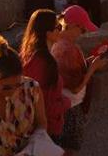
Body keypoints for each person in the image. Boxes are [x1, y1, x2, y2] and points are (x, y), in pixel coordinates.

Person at [52, 6, 108, 154]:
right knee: (69, 149)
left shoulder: (57, 42)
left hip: (62, 104)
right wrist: (93, 68)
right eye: (82, 30)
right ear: (72, 26)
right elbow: (75, 87)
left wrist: (89, 61)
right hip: (71, 107)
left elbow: (71, 73)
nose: (83, 34)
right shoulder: (68, 50)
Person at [21, 10, 69, 143]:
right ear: (48, 33)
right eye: (58, 27)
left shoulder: (27, 56)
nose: (61, 30)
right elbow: (47, 106)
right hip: (47, 128)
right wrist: (67, 102)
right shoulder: (46, 63)